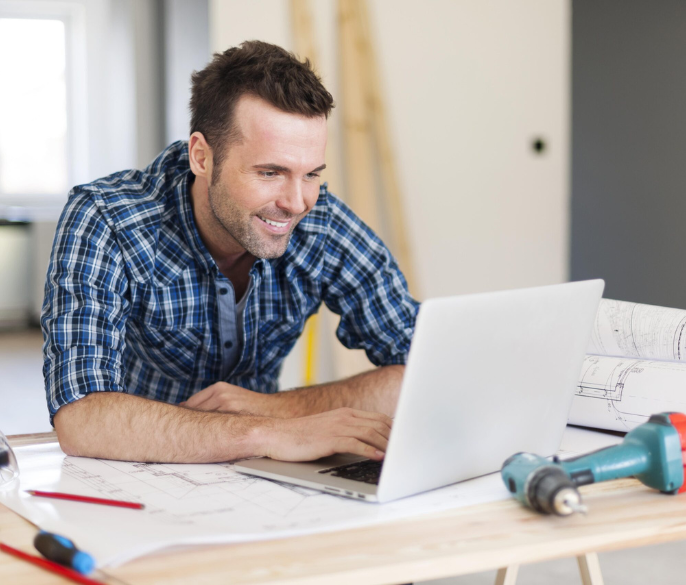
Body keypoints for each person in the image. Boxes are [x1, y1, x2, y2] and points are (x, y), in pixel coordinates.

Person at [41, 40, 419, 465]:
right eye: (270, 172)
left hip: (261, 471)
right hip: (136, 466)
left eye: (311, 174)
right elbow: (82, 417)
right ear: (201, 157)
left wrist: (278, 410)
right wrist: (267, 431)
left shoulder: (322, 223)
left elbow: (424, 368)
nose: (297, 203)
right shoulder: (107, 218)